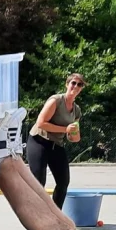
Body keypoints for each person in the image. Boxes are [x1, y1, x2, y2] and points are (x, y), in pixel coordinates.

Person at [25, 72, 85, 210]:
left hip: (56, 144)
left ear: (81, 89)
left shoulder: (76, 110)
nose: (75, 86)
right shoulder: (56, 100)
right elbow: (41, 123)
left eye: (79, 84)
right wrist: (66, 129)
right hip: (39, 140)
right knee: (39, 182)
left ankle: (55, 214)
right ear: (67, 84)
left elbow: (73, 136)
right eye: (73, 83)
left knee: (64, 182)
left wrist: (74, 136)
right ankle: (36, 215)